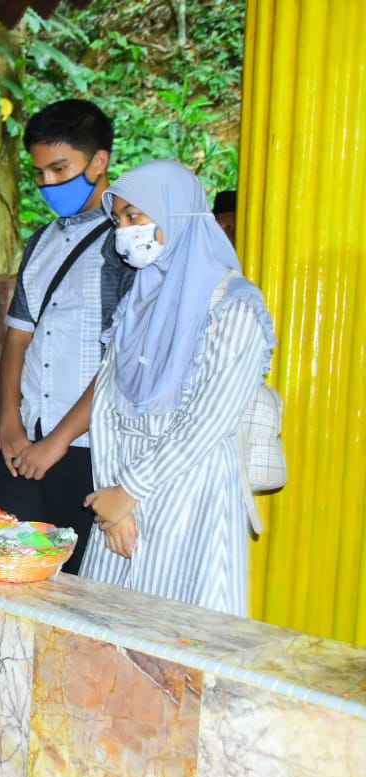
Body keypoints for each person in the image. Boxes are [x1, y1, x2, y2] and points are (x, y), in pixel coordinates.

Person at [81, 160, 276, 616]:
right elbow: (107, 404)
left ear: (178, 215)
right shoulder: (137, 302)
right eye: (119, 220)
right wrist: (113, 502)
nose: (124, 231)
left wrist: (129, 490)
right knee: (104, 641)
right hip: (118, 500)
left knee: (183, 644)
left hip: (192, 497)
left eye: (135, 217)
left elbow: (209, 420)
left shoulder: (233, 307)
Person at [0, 99, 135, 575]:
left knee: (74, 589)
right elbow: (17, 337)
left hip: (89, 450)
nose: (48, 183)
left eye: (59, 168)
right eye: (39, 172)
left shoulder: (126, 241)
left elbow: (121, 360)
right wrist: (10, 423)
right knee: (1, 567)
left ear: (100, 161)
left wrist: (59, 442)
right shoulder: (42, 240)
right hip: (24, 440)